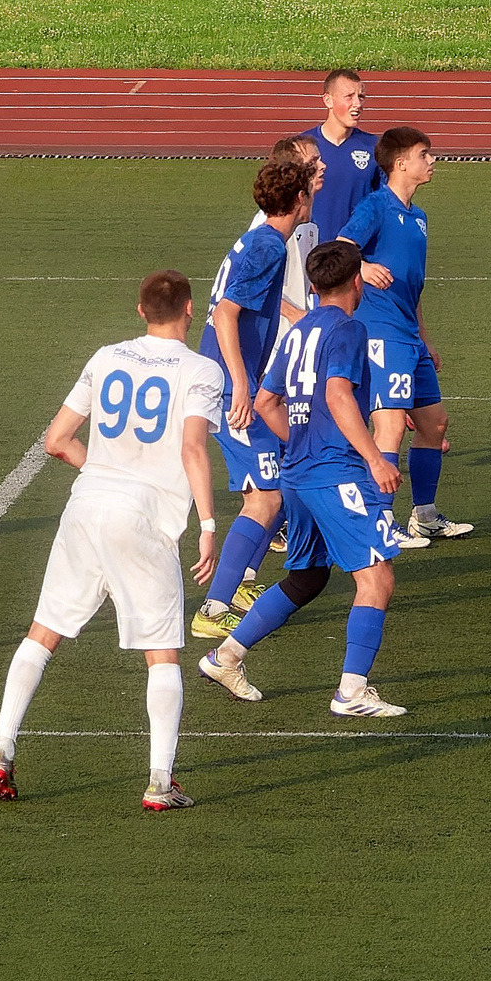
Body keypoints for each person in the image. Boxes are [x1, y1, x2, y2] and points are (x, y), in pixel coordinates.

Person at [0, 269, 225, 811]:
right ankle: (160, 781)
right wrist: (209, 524)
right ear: (190, 309)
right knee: (162, 652)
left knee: (43, 632)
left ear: (141, 311)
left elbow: (56, 440)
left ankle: (1, 748)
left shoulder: (107, 357)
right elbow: (192, 448)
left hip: (86, 505)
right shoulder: (201, 370)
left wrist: (102, 474)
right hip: (142, 518)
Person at [197, 239, 412, 717]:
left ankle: (224, 657)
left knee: (309, 577)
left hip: (296, 473)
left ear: (313, 288)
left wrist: (301, 441)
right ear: (356, 281)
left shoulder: (296, 333)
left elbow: (266, 401)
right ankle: (351, 693)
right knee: (376, 578)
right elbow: (337, 395)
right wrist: (375, 458)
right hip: (335, 474)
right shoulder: (349, 329)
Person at [190, 159, 313, 639]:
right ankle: (214, 609)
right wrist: (241, 385)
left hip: (230, 378)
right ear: (298, 198)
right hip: (228, 386)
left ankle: (239, 583)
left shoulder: (264, 239)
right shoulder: (268, 245)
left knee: (276, 481)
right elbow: (226, 313)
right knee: (267, 496)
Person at [339, 126, 471, 545]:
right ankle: (380, 523)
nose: (432, 161)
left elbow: (413, 285)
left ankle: (425, 516)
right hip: (380, 332)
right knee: (391, 424)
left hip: (409, 335)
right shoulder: (375, 206)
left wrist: (425, 337)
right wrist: (362, 267)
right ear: (400, 164)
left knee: (435, 423)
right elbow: (340, 248)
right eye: (424, 154)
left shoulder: (419, 217)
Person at [298, 69, 384, 242]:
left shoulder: (373, 147)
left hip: (355, 250)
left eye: (361, 97)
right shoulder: (302, 147)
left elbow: (384, 202)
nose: (357, 104)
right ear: (328, 100)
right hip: (309, 248)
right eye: (349, 97)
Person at [260, 134, 323, 334]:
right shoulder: (269, 226)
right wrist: (294, 313)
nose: (323, 166)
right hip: (272, 336)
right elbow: (252, 284)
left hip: (293, 335)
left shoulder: (307, 222)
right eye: (313, 162)